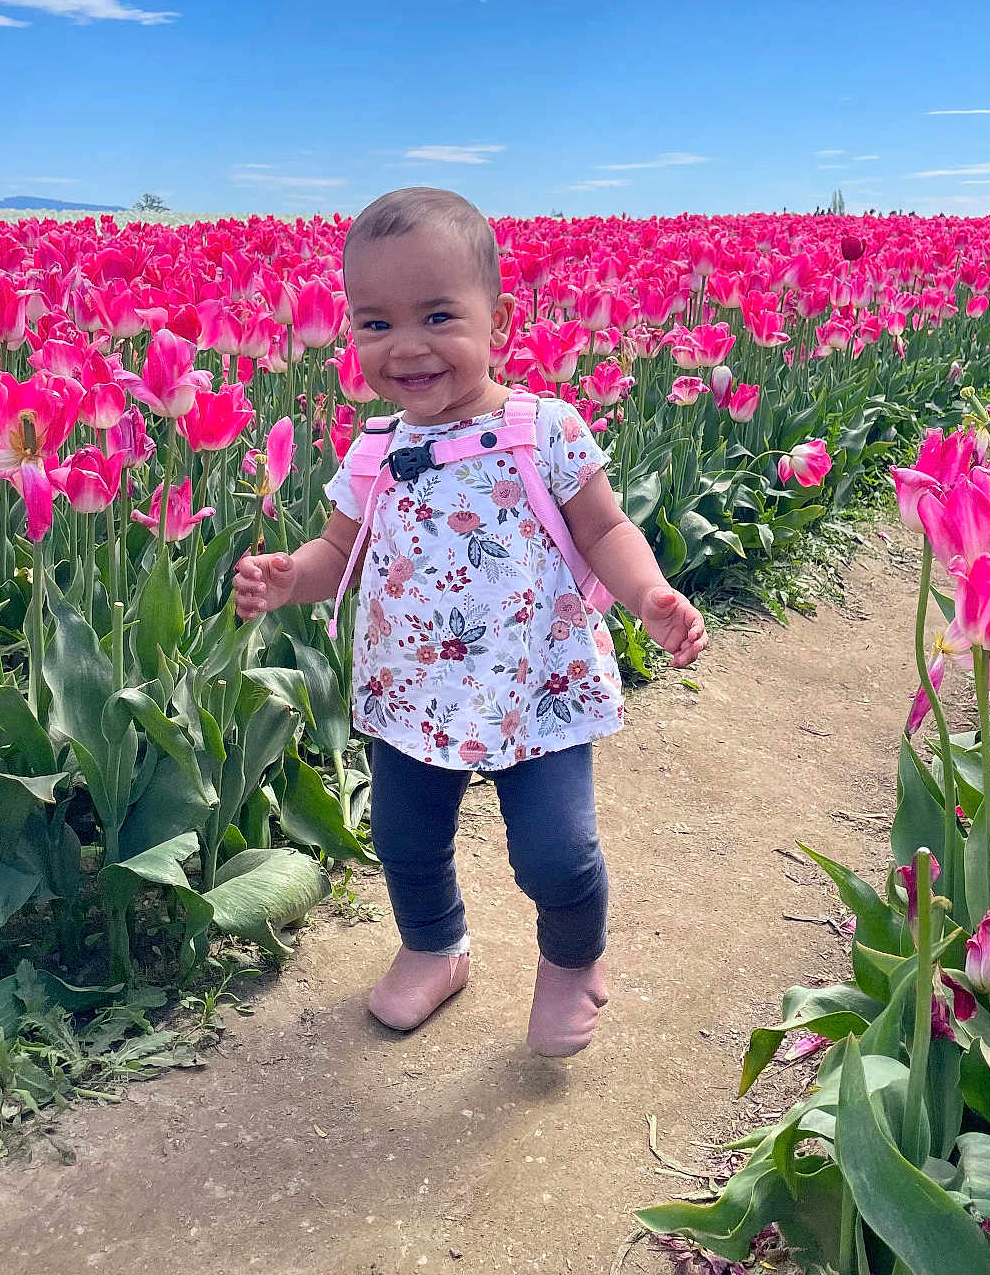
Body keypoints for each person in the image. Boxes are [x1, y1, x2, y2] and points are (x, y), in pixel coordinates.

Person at [232, 187, 707, 1056]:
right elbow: (338, 552)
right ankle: (434, 947)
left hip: (540, 687)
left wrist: (647, 596)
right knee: (405, 841)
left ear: (501, 318)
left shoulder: (545, 429)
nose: (406, 346)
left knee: (556, 856)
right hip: (412, 688)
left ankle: (571, 962)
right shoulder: (376, 449)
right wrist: (287, 576)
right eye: (374, 324)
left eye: (438, 315)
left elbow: (604, 528)